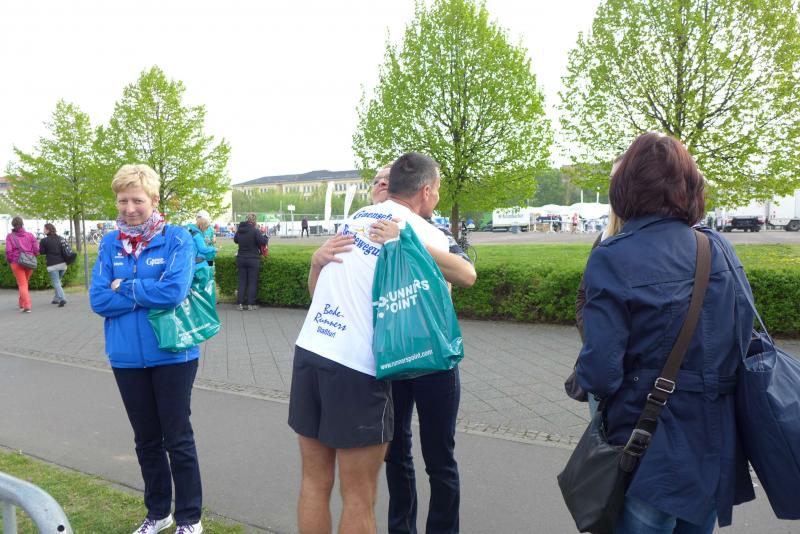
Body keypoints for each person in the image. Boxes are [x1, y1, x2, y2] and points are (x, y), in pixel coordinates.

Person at [576, 132, 756, 533]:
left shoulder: (614, 255)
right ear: (689, 186)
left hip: (648, 443)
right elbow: (744, 339)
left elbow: (601, 374)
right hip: (713, 439)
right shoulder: (717, 247)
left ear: (625, 187)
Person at [288, 153, 457, 534]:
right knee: (359, 496)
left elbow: (323, 290)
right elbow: (459, 282)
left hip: (312, 348)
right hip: (356, 366)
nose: (437, 197)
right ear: (426, 191)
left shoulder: (357, 216)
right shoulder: (424, 231)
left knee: (314, 482)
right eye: (437, 190)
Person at [89, 164, 204, 534]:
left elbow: (174, 292)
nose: (129, 208)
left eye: (137, 200)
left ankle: (189, 518)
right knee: (146, 441)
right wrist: (144, 292)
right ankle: (158, 513)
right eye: (123, 200)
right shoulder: (110, 242)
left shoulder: (177, 239)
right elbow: (98, 300)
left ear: (153, 200)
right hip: (125, 357)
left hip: (172, 354)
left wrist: (123, 286)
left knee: (178, 439)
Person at [233, 212, 268, 311]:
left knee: (242, 281)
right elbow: (263, 241)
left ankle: (239, 304)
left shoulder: (240, 230)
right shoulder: (255, 230)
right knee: (252, 282)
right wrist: (265, 237)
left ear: (246, 219)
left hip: (241, 258)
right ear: (254, 220)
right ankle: (250, 304)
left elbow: (236, 240)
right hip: (253, 259)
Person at [5, 216, 39, 313]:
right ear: (22, 224)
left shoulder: (10, 236)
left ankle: (27, 305)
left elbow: (8, 251)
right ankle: (21, 303)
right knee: (24, 283)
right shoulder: (30, 235)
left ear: (13, 225)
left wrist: (11, 260)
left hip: (16, 262)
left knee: (22, 284)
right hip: (29, 262)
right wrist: (32, 255)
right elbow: (36, 249)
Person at [39, 223, 68, 307]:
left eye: (44, 229)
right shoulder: (61, 238)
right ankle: (56, 298)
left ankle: (62, 298)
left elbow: (42, 252)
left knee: (56, 283)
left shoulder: (44, 240)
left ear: (48, 230)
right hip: (63, 264)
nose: (43, 230)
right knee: (58, 281)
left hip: (53, 265)